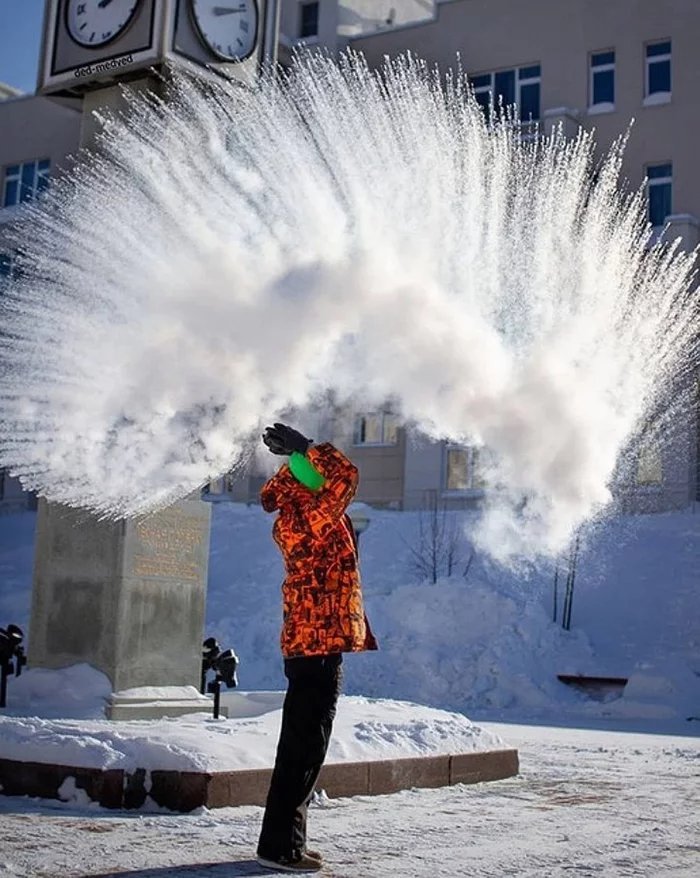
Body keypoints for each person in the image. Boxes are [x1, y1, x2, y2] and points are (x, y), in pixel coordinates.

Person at [256, 422, 378, 873]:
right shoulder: (307, 517)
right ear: (310, 489)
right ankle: (280, 848)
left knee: (302, 747)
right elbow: (346, 476)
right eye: (317, 482)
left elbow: (333, 482)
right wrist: (308, 449)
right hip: (316, 645)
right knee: (303, 748)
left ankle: (283, 842)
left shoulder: (302, 513)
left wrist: (301, 461)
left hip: (313, 643)